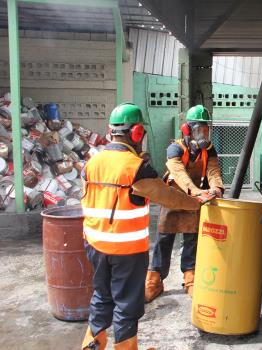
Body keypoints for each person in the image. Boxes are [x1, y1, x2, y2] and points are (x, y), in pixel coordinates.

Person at [80, 103, 201, 350]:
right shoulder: (136, 168)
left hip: (94, 245)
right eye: (141, 134)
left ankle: (92, 344)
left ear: (110, 131)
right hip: (126, 250)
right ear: (136, 133)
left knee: (102, 297)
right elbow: (168, 197)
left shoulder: (92, 162)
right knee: (127, 304)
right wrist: (196, 203)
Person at [145, 104, 224, 302]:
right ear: (187, 130)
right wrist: (196, 191)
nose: (203, 135)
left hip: (192, 201)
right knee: (164, 240)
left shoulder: (209, 150)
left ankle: (190, 278)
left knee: (191, 239)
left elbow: (213, 171)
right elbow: (178, 173)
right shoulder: (175, 148)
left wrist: (216, 188)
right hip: (173, 199)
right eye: (199, 130)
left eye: (206, 129)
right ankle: (154, 281)